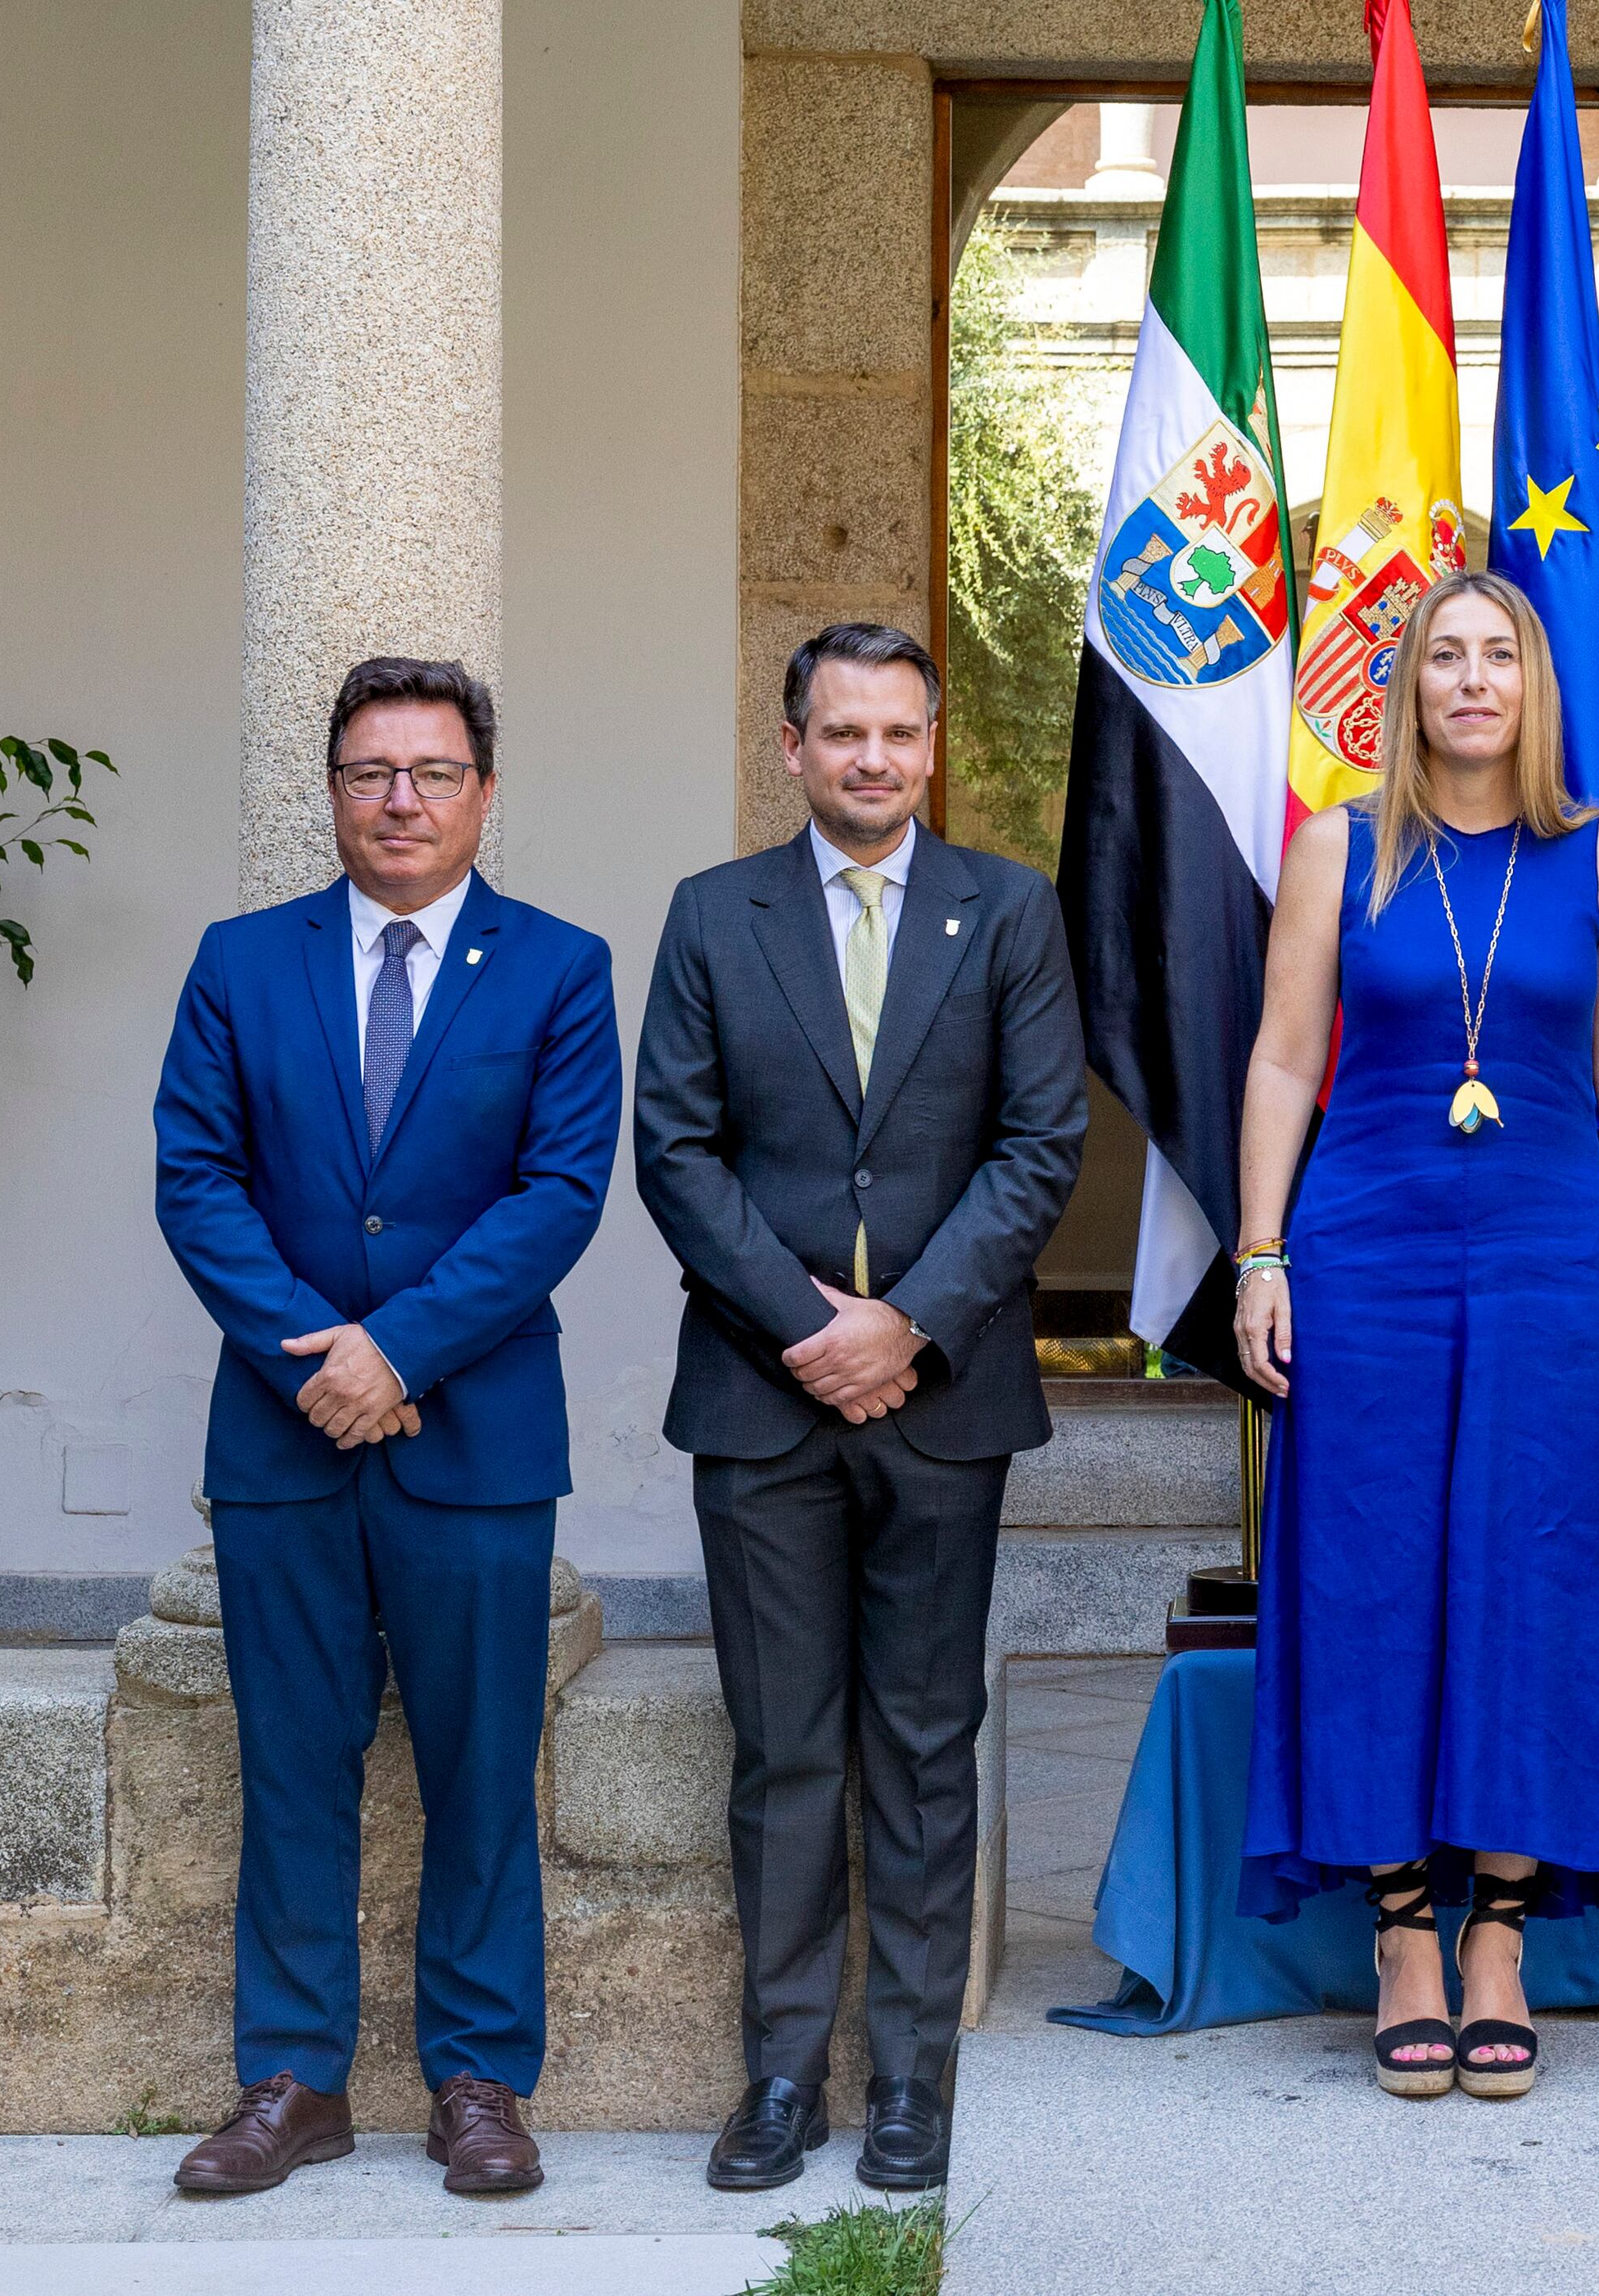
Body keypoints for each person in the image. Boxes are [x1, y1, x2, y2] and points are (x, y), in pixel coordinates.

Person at [1231, 567, 1599, 2105]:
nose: (1473, 678)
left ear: (1535, 683)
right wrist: (1259, 1253)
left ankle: (1497, 1931)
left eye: (1500, 653)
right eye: (1444, 652)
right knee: (1365, 1571)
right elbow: (1283, 1055)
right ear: (1407, 684)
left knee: (1532, 1571)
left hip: (1552, 1254)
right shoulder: (1335, 850)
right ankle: (1400, 1935)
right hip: (1365, 1249)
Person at [151, 656, 621, 2200]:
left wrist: (399, 1347)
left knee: (482, 1769)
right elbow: (197, 1181)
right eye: (370, 772)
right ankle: (293, 2080)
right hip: (285, 1443)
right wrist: (320, 1367)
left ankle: (480, 2080)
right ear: (334, 789)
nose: (400, 799)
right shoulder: (239, 962)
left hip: (475, 1441)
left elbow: (557, 1195)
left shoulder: (558, 968)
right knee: (294, 1762)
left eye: (430, 771)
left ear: (485, 790)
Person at [633, 621, 1090, 2194]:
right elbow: (676, 1156)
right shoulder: (713, 916)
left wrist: (905, 1324)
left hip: (944, 1399)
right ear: (792, 744)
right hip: (762, 1408)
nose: (874, 759)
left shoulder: (1011, 912)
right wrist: (808, 1327)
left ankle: (910, 2080)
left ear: (934, 744)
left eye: (900, 733)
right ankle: (779, 2076)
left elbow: (1040, 1146)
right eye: (844, 734)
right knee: (783, 1751)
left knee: (921, 1741)